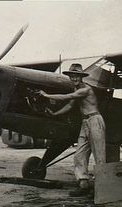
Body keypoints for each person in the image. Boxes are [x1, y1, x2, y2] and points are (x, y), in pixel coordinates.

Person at [39, 63, 106, 197]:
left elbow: (67, 97)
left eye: (77, 76)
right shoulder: (77, 90)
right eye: (72, 76)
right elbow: (70, 105)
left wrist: (46, 96)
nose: (74, 78)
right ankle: (83, 184)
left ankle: (102, 188)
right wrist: (54, 114)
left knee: (99, 155)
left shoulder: (85, 89)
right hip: (85, 122)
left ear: (82, 77)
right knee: (79, 155)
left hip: (95, 121)